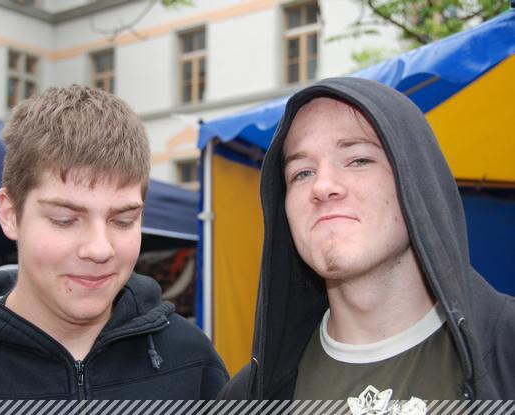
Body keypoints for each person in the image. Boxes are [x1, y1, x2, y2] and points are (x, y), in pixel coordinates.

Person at [0, 85, 228, 399]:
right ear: (10, 214)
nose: (99, 249)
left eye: (123, 221)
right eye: (64, 219)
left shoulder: (191, 360)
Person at [220, 77, 515, 402]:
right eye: (302, 173)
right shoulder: (244, 399)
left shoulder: (506, 353)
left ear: (417, 179)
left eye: (358, 160)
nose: (322, 186)